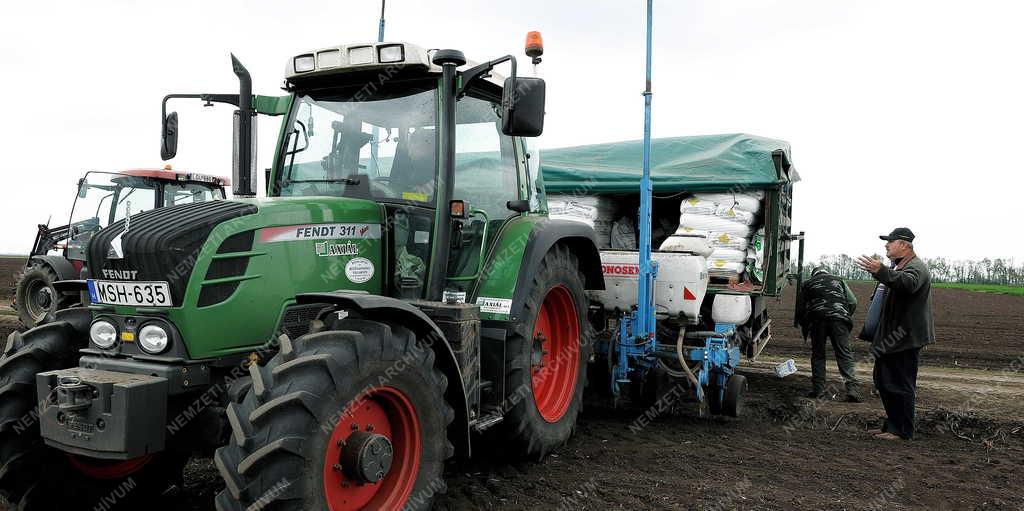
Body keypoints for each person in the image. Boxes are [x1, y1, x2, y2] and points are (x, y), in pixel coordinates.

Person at [856, 227, 934, 441]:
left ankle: (902, 431)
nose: (886, 245)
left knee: (900, 384)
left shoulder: (916, 268)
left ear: (905, 245)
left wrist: (880, 270)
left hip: (904, 338)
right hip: (892, 338)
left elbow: (906, 284)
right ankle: (891, 426)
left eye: (891, 241)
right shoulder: (900, 266)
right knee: (883, 380)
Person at [795, 265, 860, 401]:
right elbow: (853, 301)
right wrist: (844, 314)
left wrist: (805, 325)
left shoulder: (808, 284)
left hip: (817, 320)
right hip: (839, 321)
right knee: (844, 354)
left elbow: (800, 309)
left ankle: (818, 390)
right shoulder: (839, 280)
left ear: (814, 275)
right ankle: (852, 390)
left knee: (818, 354)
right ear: (826, 273)